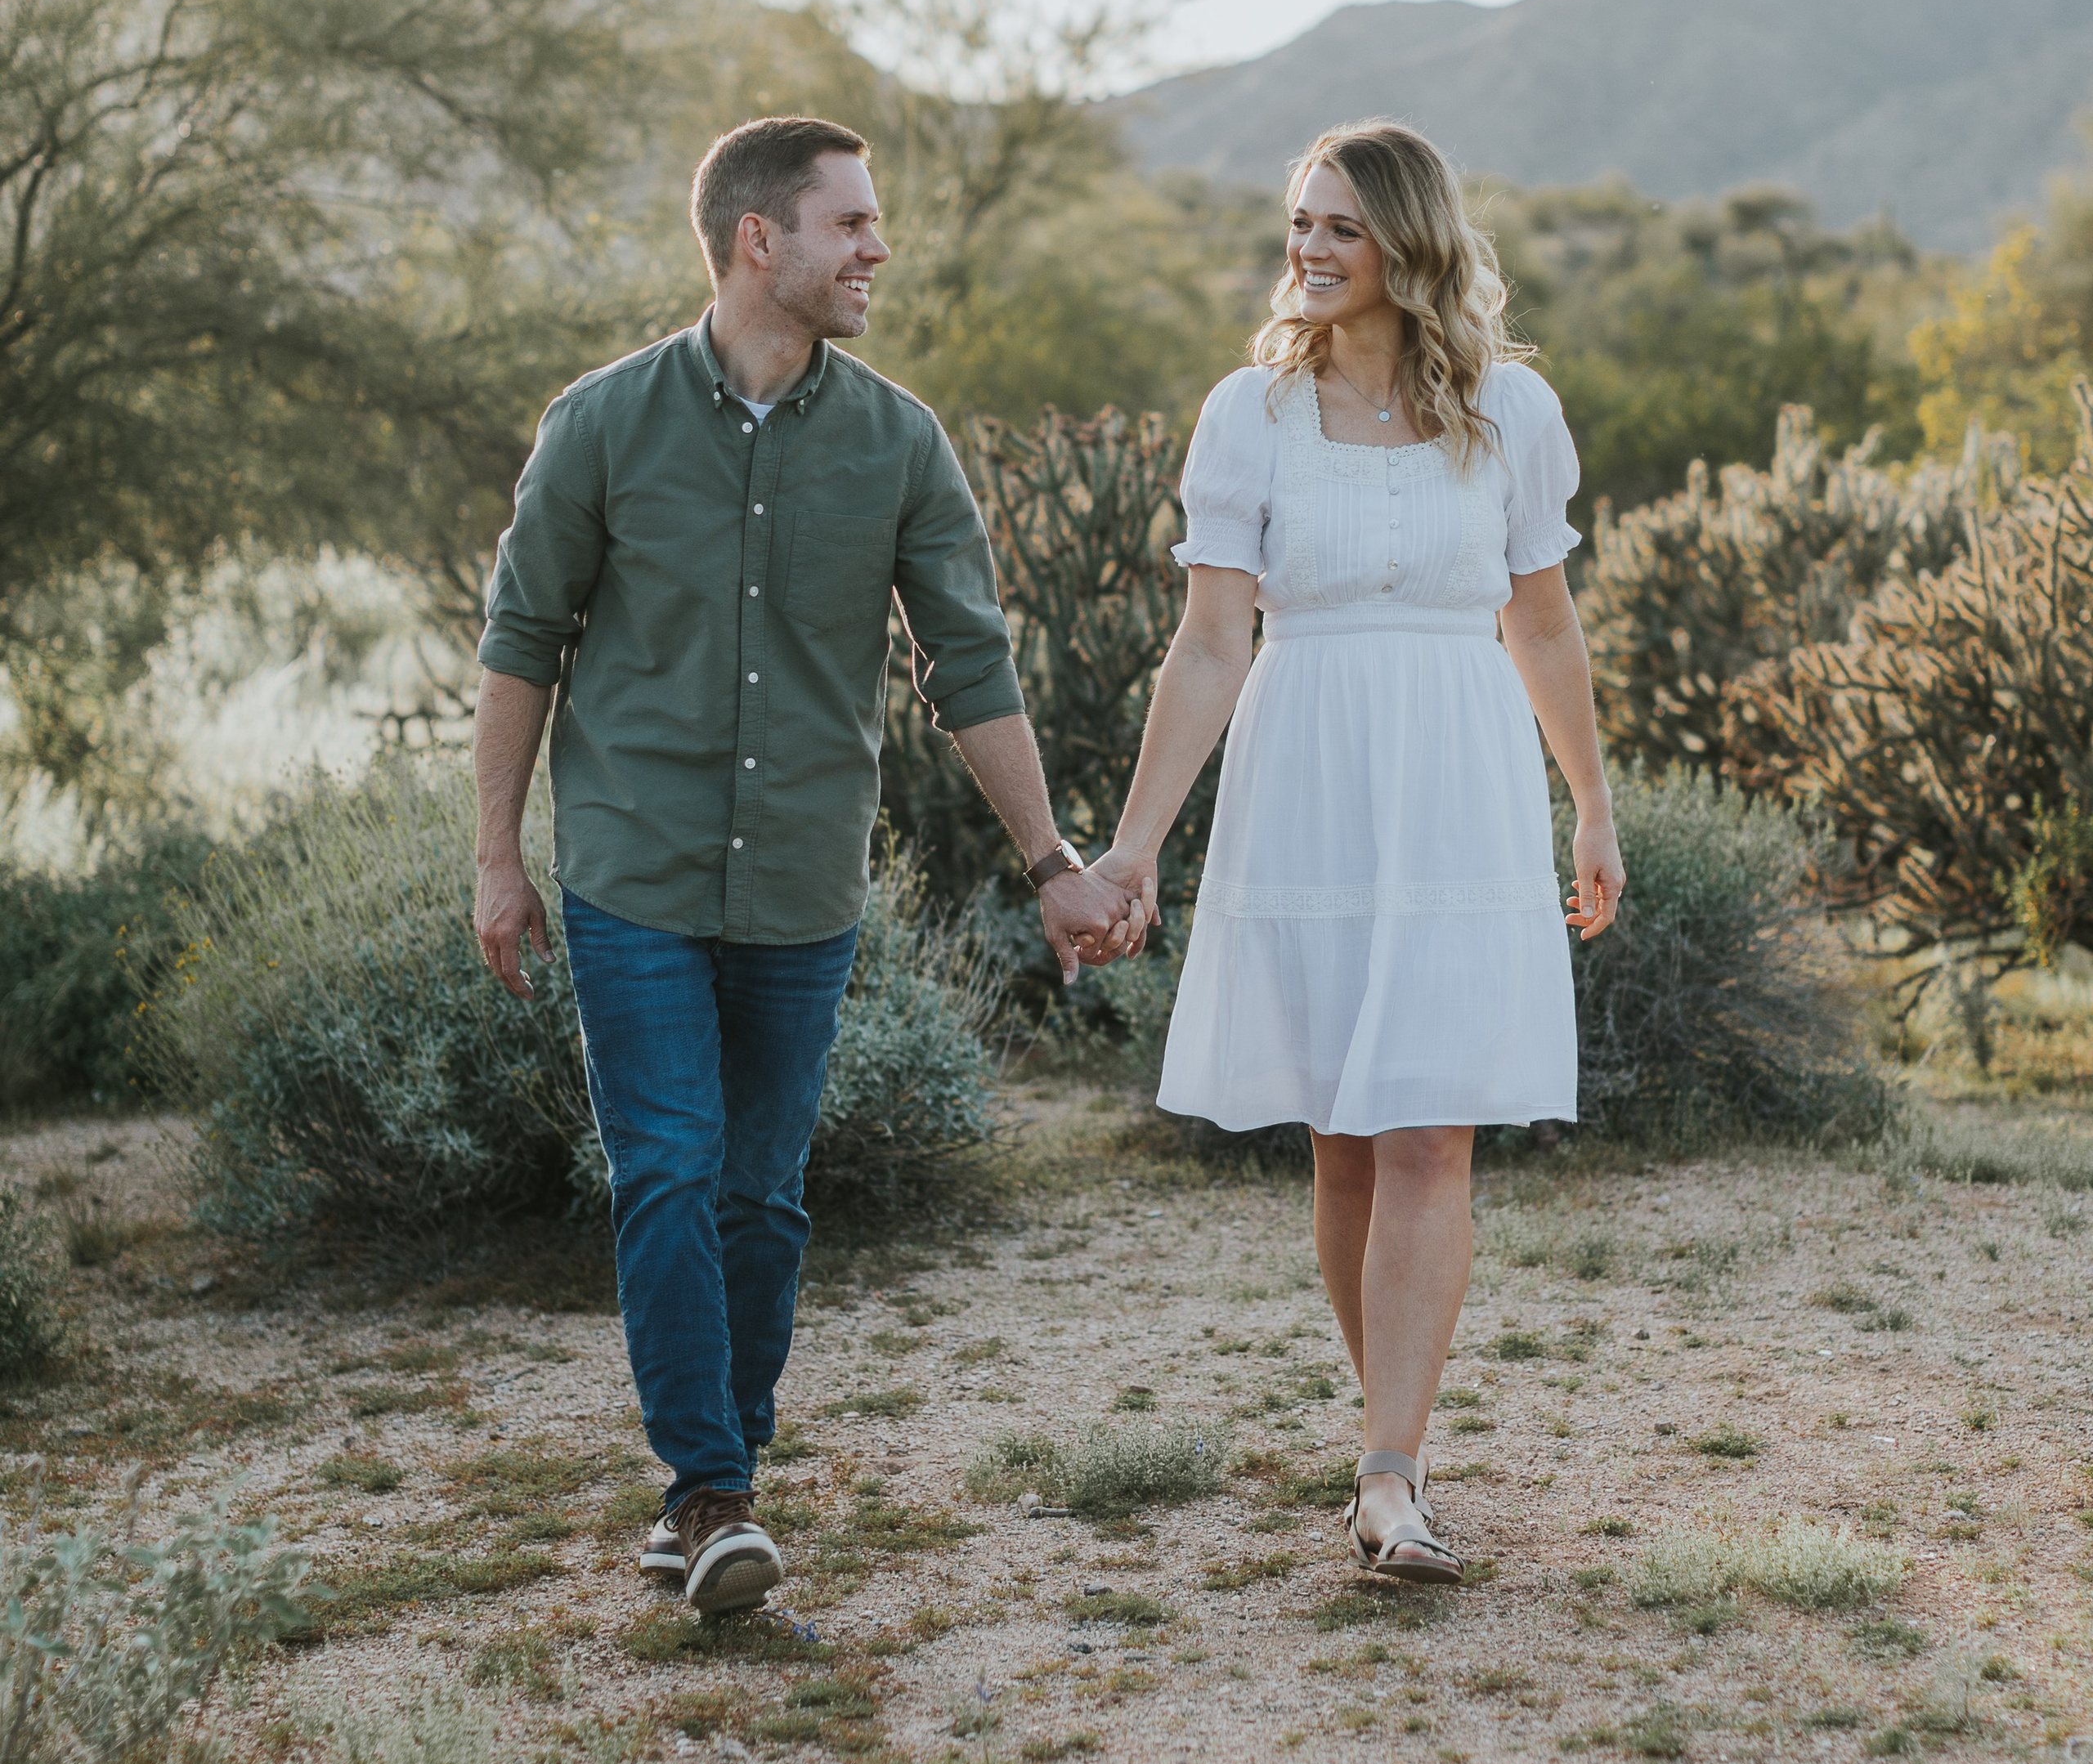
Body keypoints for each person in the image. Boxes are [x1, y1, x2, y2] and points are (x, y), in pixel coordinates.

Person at [471, 114, 1132, 1617]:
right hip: (631, 869)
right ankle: (707, 1492)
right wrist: (499, 859)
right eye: (851, 224)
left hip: (802, 882)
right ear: (757, 240)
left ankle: (720, 1477)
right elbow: (523, 645)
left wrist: (1053, 860)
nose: (876, 250)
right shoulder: (602, 424)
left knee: (763, 1195)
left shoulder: (898, 442)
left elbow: (970, 665)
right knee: (667, 1168)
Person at [1087, 119, 1621, 1584]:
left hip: (1460, 775)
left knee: (1430, 1128)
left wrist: (1592, 801)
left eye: (1339, 226)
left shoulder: (1513, 413)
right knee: (1342, 1137)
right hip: (1309, 766)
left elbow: (1545, 623)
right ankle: (1388, 1428)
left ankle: (1393, 1475)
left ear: (1409, 241)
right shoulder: (1248, 414)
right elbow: (1209, 644)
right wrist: (1135, 846)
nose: (1308, 250)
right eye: (1298, 225)